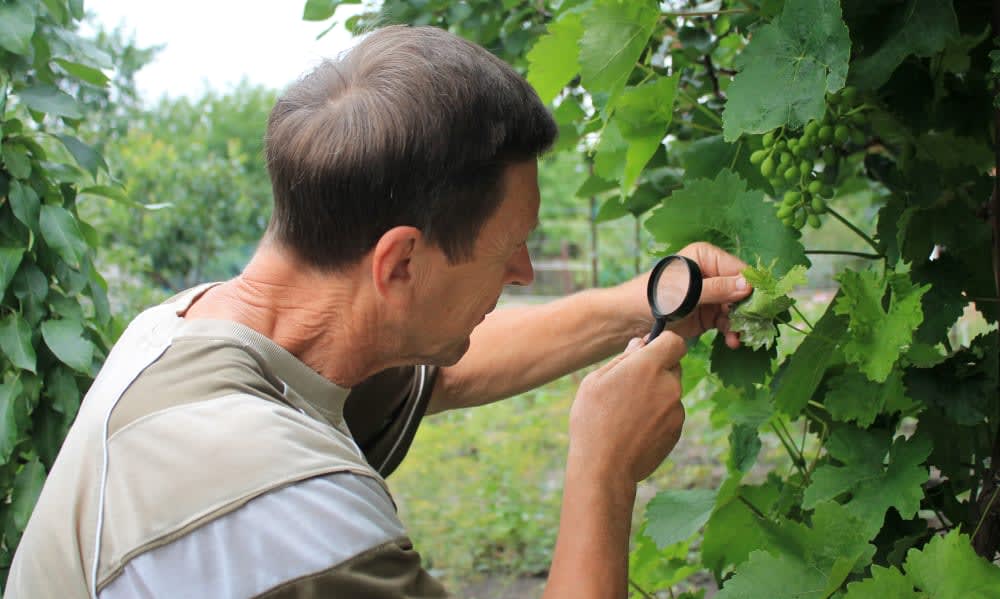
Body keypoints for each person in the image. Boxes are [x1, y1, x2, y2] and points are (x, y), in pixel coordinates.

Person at [6, 25, 751, 598]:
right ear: (398, 263)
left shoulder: (192, 332)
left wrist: (648, 298)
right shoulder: (274, 507)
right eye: (509, 251)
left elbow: (445, 371)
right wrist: (604, 469)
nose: (525, 273)